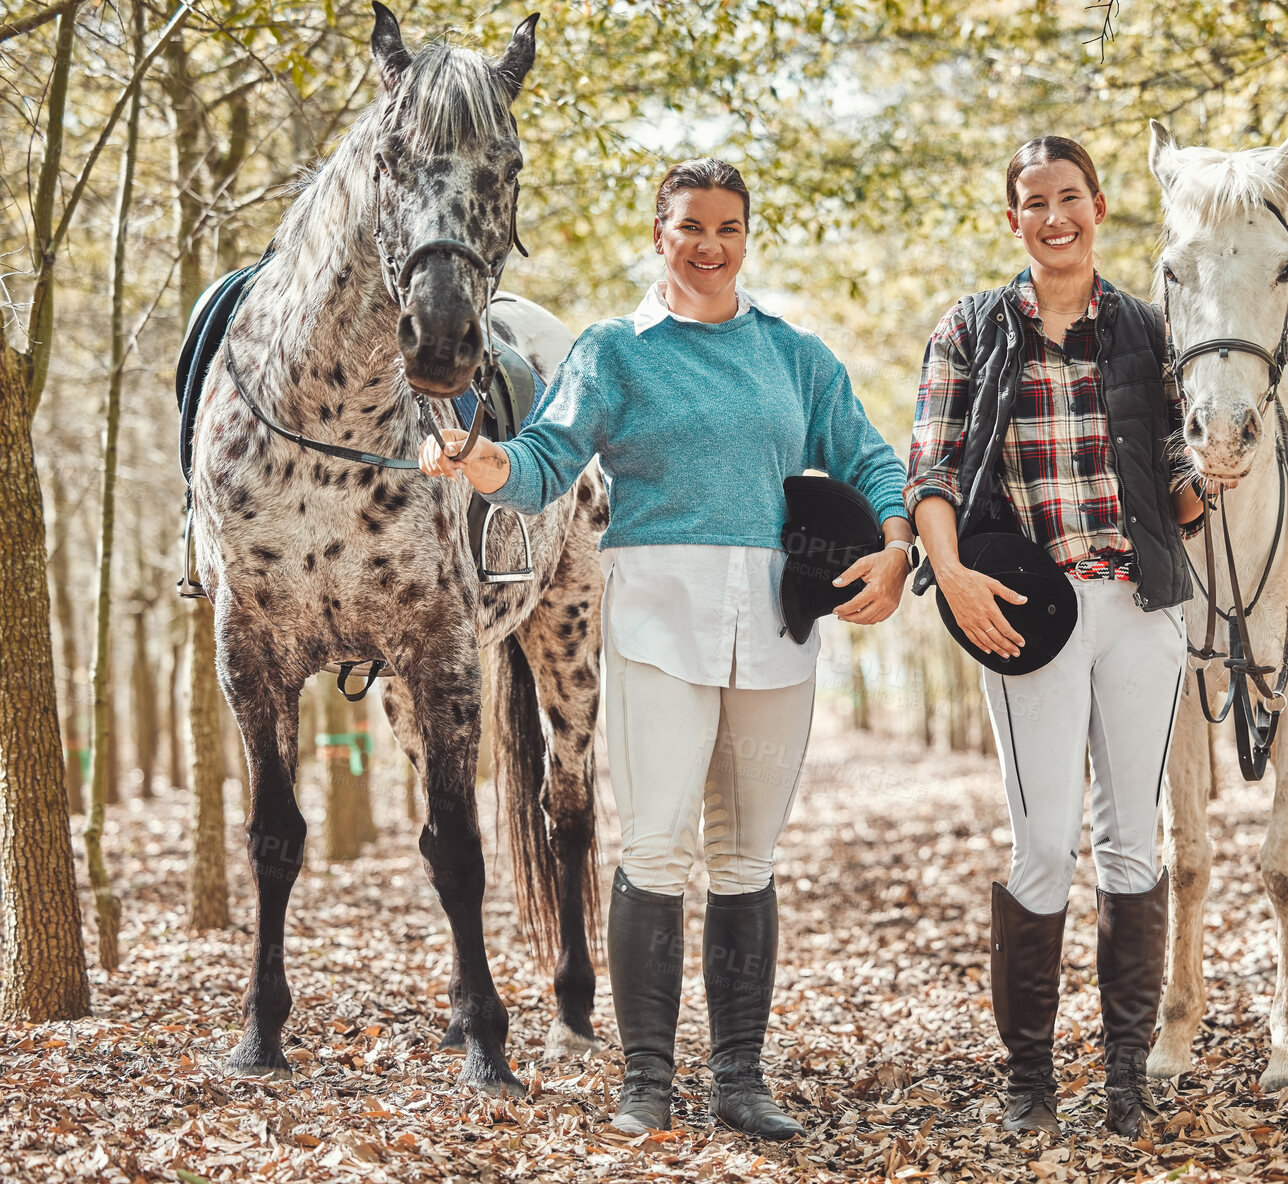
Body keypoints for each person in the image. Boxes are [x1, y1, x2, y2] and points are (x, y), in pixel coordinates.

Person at [420, 158, 915, 1140]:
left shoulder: (793, 355)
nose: (709, 244)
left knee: (745, 854)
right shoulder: (613, 350)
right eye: (690, 225)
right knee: (652, 845)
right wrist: (480, 460)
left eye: (728, 226)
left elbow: (867, 456)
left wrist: (897, 545)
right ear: (660, 233)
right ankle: (645, 1077)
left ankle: (738, 1075)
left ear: (745, 235)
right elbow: (545, 463)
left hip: (776, 629)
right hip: (654, 622)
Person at [904, 137, 1209, 1138]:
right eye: (1033, 201)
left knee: (1133, 838)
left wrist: (1207, 480)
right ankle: (1027, 1076)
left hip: (1141, 604)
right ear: (1013, 220)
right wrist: (951, 577)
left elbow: (1177, 483)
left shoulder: (1150, 332)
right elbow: (932, 470)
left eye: (1068, 196)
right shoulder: (970, 328)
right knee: (1042, 844)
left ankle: (1124, 1073)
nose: (1053, 215)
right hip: (1028, 610)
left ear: (1098, 206)